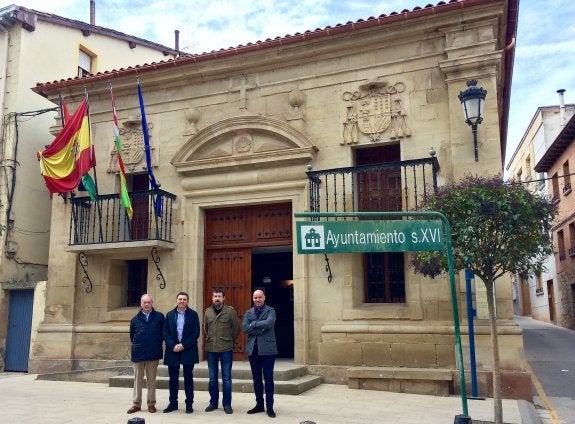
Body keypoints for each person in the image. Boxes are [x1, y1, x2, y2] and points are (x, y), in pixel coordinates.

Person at [203, 287, 241, 414]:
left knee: (226, 378)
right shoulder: (207, 312)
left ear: (223, 298)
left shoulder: (230, 311)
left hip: (226, 348)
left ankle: (227, 404)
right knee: (212, 379)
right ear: (212, 298)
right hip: (211, 349)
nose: (217, 298)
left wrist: (229, 340)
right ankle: (213, 403)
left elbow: (236, 328)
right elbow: (206, 328)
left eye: (219, 296)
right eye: (215, 296)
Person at [162, 291, 200, 414]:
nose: (182, 301)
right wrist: (173, 345)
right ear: (176, 300)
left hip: (188, 350)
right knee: (173, 379)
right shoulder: (169, 314)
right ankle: (173, 403)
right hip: (172, 350)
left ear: (187, 301)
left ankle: (189, 403)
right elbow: (165, 332)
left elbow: (196, 333)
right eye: (180, 299)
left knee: (188, 378)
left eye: (184, 299)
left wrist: (183, 345)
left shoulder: (193, 315)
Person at [242, 289, 278, 418]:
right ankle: (259, 405)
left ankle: (270, 407)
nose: (257, 300)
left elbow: (269, 323)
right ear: (253, 298)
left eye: (259, 297)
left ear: (264, 298)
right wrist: (260, 329)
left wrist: (254, 324)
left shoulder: (271, 311)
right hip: (254, 351)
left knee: (268, 378)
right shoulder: (249, 312)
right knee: (256, 379)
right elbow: (245, 327)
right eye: (255, 297)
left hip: (268, 350)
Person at [127, 294, 165, 414]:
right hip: (138, 353)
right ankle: (136, 404)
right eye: (145, 302)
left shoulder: (159, 317)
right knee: (137, 379)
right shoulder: (135, 319)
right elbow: (132, 336)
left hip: (153, 353)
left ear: (152, 303)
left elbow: (163, 333)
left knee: (151, 380)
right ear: (141, 304)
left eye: (149, 302)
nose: (147, 304)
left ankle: (151, 403)